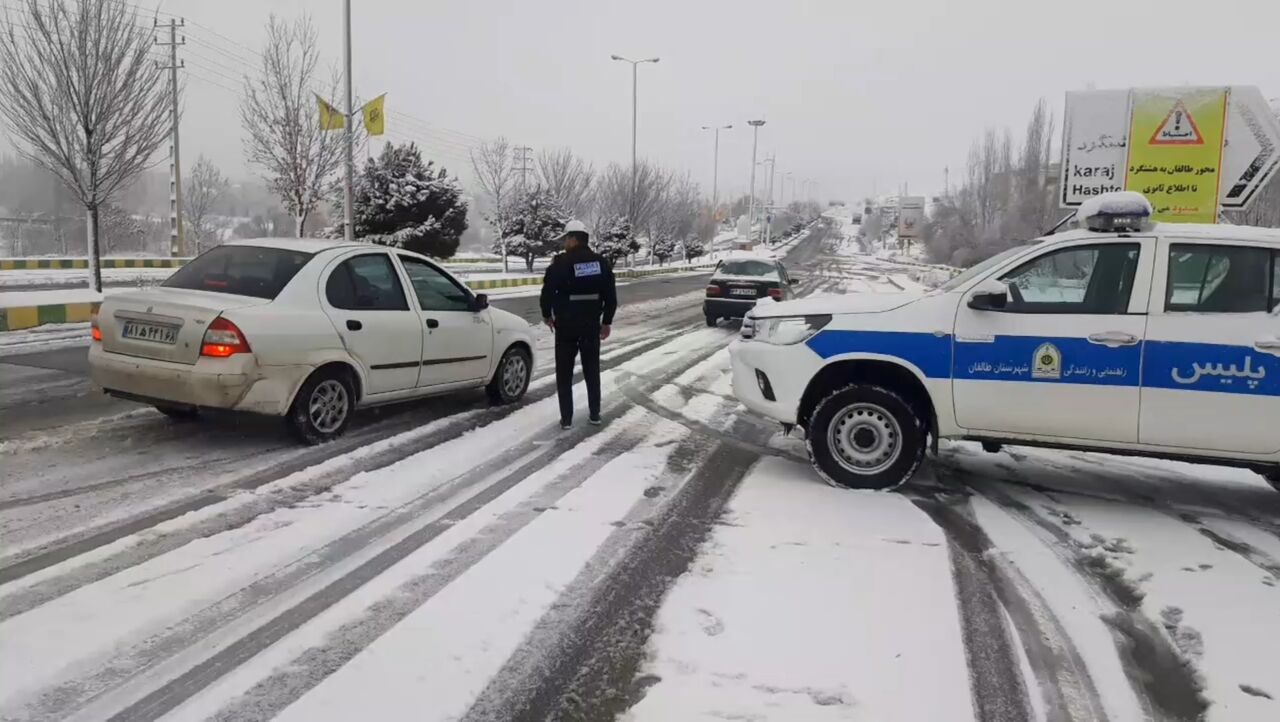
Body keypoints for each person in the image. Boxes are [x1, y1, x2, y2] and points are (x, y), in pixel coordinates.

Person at [540, 219, 618, 429]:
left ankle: (566, 419)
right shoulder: (601, 263)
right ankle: (595, 414)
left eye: (566, 239)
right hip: (590, 326)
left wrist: (547, 315)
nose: (565, 243)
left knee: (564, 373)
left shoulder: (559, 264)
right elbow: (611, 297)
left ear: (573, 239)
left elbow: (547, 292)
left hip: (565, 327)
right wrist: (606, 322)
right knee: (592, 370)